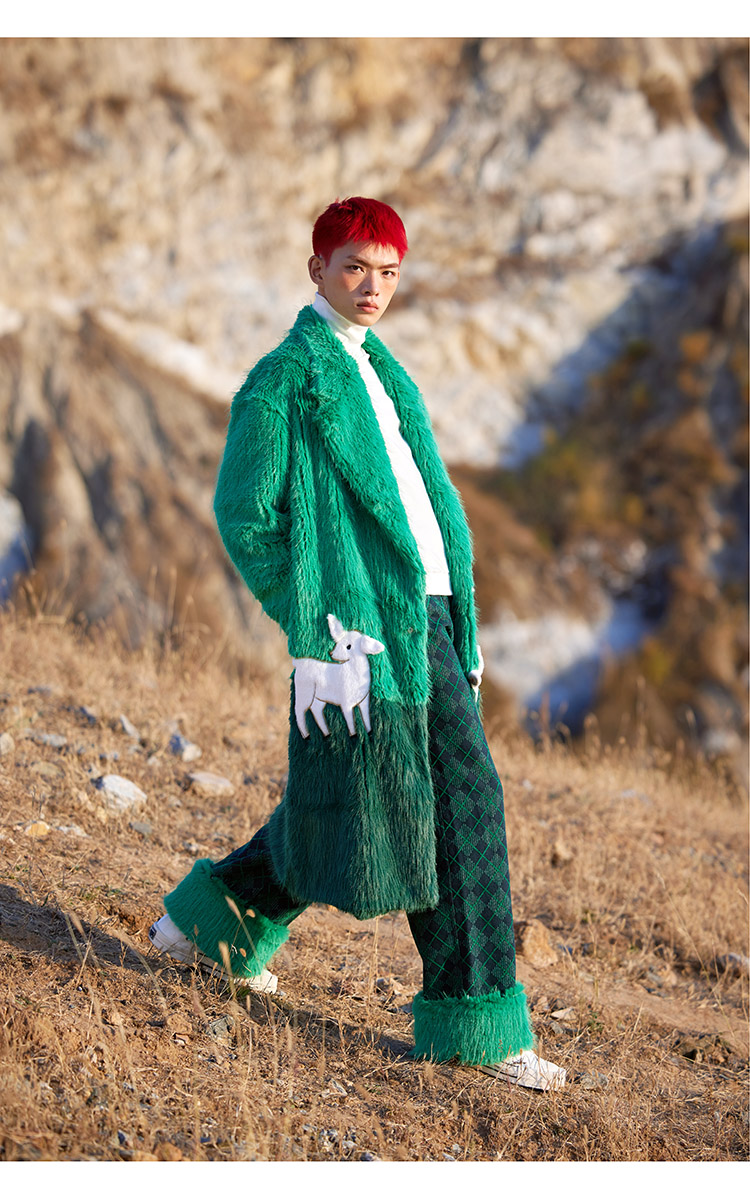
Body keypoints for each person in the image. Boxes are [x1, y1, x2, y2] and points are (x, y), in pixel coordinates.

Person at [149, 197, 565, 1091]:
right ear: (318, 270)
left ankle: (207, 927)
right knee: (465, 806)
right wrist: (317, 617)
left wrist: (460, 615)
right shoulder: (284, 380)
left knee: (355, 793)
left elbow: (421, 505)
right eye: (356, 269)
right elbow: (244, 515)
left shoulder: (384, 370)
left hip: (433, 616)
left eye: (389, 273)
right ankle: (476, 1025)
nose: (373, 287)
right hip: (368, 631)